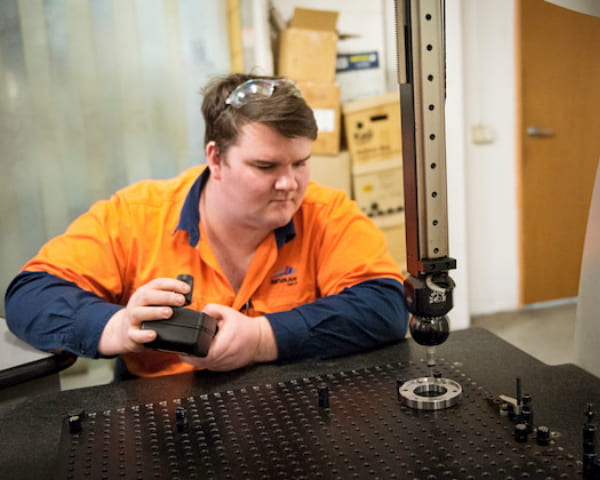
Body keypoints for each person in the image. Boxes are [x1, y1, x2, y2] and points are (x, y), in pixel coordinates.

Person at [5, 73, 408, 379]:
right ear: (215, 158)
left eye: (300, 163)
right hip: (162, 425)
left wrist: (263, 339)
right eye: (265, 166)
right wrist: (115, 326)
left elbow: (385, 306)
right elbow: (30, 294)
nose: (289, 184)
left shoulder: (327, 212)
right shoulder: (136, 215)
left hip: (293, 412)